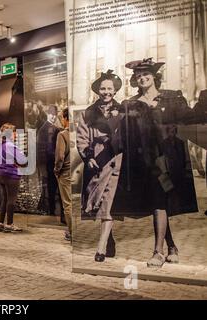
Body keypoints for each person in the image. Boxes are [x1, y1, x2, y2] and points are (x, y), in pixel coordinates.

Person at [117, 58, 199, 267]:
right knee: (157, 201)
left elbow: (189, 119)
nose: (142, 78)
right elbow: (126, 135)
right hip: (145, 160)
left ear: (154, 76)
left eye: (146, 74)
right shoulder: (131, 104)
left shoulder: (171, 99)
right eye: (138, 76)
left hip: (169, 159)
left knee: (159, 201)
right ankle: (165, 249)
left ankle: (162, 250)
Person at [76, 70, 123, 262]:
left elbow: (128, 135)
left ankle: (101, 247)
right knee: (99, 202)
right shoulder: (88, 113)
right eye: (103, 88)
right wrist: (88, 156)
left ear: (115, 90)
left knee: (109, 203)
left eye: (109, 88)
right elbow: (81, 137)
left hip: (116, 160)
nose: (106, 92)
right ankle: (109, 240)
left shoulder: (122, 111)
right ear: (98, 91)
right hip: (97, 162)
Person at [0, 123, 27, 233]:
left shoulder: (0, 145)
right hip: (11, 175)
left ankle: (0, 223)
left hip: (1, 175)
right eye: (14, 132)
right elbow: (23, 160)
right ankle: (9, 224)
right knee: (11, 200)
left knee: (5, 199)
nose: (15, 134)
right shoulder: (11, 146)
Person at [37, 105, 62, 219]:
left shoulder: (46, 128)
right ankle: (52, 210)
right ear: (47, 114)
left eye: (55, 114)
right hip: (49, 162)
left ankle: (51, 209)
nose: (53, 116)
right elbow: (46, 148)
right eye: (52, 114)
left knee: (50, 187)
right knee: (52, 187)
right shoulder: (48, 128)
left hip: (47, 162)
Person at [54, 108, 72, 241]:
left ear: (66, 119)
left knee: (68, 204)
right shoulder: (81, 132)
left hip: (66, 172)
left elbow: (60, 156)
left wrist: (56, 170)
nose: (61, 120)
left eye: (62, 118)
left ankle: (72, 232)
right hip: (80, 171)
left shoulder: (63, 135)